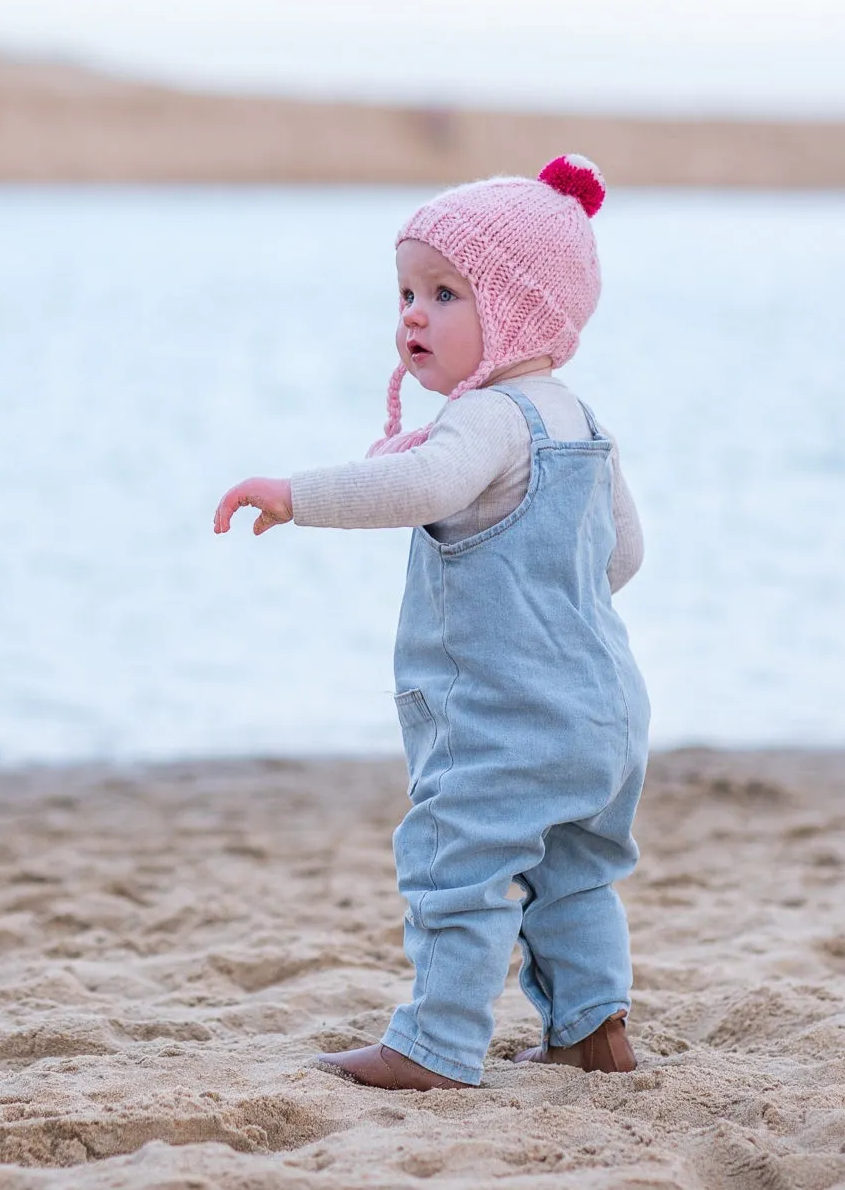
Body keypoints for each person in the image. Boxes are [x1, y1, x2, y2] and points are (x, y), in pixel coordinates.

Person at [213, 156, 649, 1090]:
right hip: (603, 705)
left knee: (459, 862)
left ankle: (438, 1043)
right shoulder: (581, 420)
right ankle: (592, 1031)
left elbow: (422, 483)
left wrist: (300, 494)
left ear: (524, 309)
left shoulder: (487, 417)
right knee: (575, 867)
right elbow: (623, 556)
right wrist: (553, 596)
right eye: (407, 290)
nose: (413, 312)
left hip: (505, 712)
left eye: (446, 292)